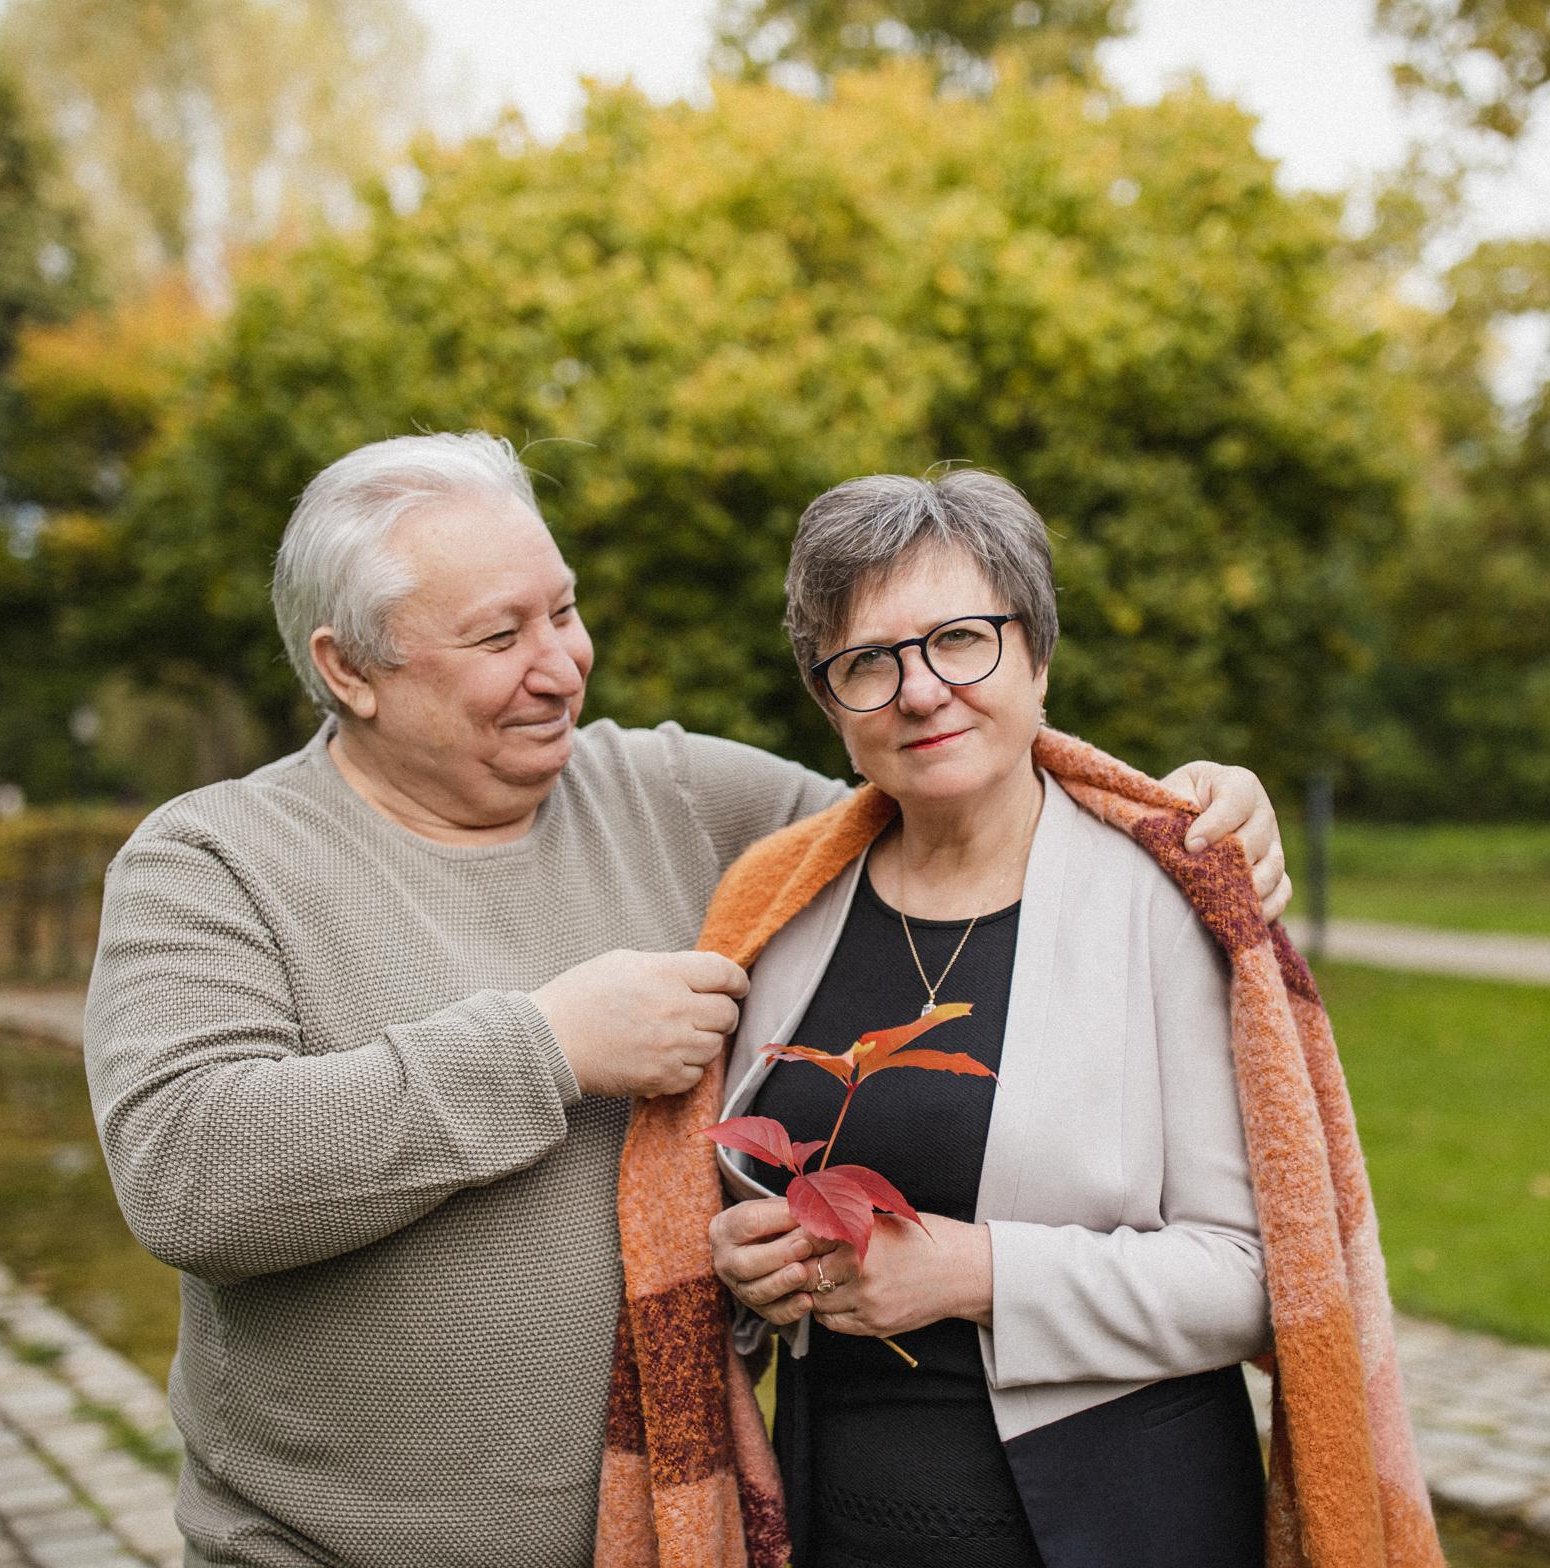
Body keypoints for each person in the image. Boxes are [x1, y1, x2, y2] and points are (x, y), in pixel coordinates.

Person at [81, 433, 1293, 1568]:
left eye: (563, 608)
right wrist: (547, 1045)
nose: (561, 664)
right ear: (351, 670)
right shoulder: (215, 859)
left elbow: (945, 766)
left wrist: (1178, 808)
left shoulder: (679, 797)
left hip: (656, 1538)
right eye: (500, 635)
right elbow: (190, 1172)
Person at [704, 470, 1279, 1568]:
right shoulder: (781, 913)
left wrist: (977, 1272)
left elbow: (1254, 1277)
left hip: (1115, 1520)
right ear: (831, 704)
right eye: (869, 661)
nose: (921, 692)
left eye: (962, 638)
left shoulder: (1165, 896)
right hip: (839, 1515)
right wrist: (747, 1273)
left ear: (1038, 653)